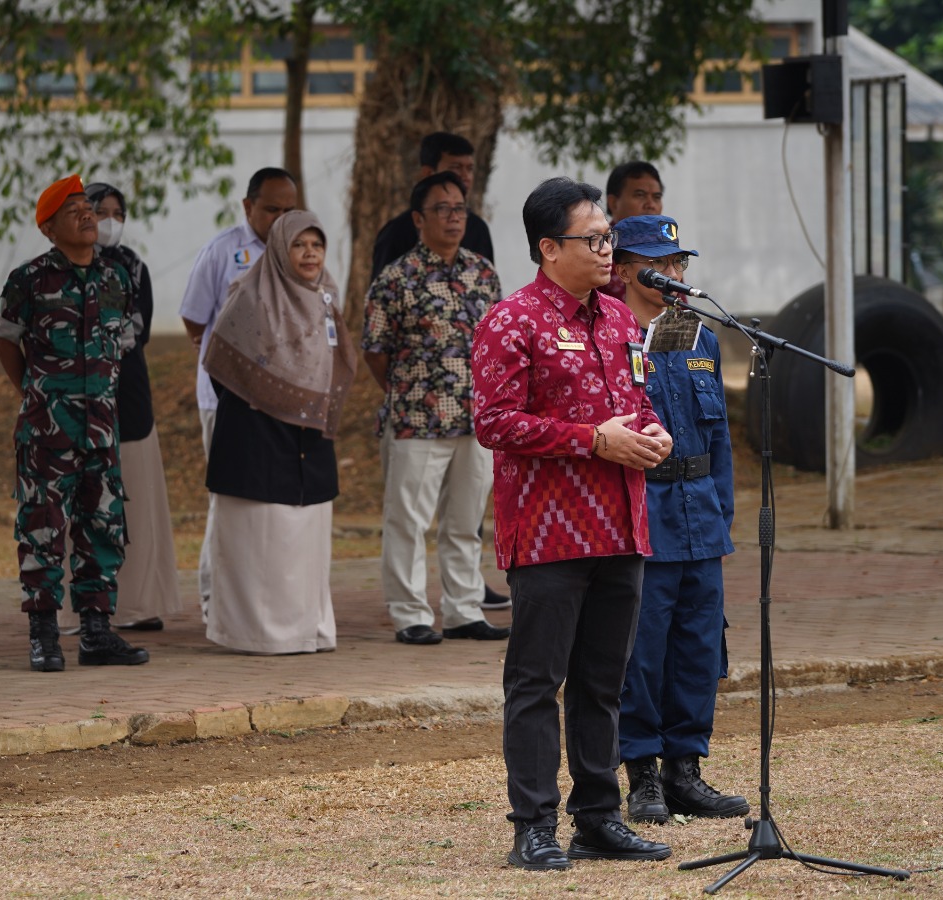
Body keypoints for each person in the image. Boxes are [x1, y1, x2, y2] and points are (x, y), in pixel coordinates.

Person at [472, 177, 674, 871]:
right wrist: (593, 440)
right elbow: (493, 422)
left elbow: (637, 401)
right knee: (536, 683)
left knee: (602, 681)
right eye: (593, 238)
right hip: (550, 531)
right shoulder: (512, 320)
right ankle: (533, 825)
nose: (606, 249)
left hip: (621, 526)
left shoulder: (622, 320)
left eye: (608, 237)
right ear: (549, 248)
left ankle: (598, 817)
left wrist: (653, 436)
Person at [611, 214, 748, 824]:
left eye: (677, 263)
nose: (671, 274)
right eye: (657, 264)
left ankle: (685, 770)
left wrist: (723, 510)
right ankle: (641, 775)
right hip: (643, 513)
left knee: (698, 646)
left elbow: (718, 438)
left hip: (699, 512)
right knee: (641, 652)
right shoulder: (610, 337)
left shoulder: (700, 338)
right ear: (622, 269)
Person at [0, 175, 149, 672]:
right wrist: (37, 391)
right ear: (48, 227)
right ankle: (43, 635)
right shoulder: (29, 279)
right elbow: (4, 340)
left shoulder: (116, 278)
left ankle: (97, 632)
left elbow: (121, 345)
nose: (88, 216)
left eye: (89, 207)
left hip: (101, 428)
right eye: (73, 210)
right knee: (43, 528)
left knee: (102, 526)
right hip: (47, 432)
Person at [362, 171, 509, 646]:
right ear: (418, 219)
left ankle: (464, 609)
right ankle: (410, 614)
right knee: (407, 520)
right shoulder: (395, 277)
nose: (452, 217)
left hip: (475, 419)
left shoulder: (482, 273)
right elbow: (375, 350)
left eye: (459, 208)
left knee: (466, 522)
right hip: (416, 420)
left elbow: (498, 344)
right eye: (442, 209)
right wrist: (412, 390)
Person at [200, 210, 356, 655]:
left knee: (303, 538)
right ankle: (257, 634)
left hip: (309, 432)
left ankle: (309, 629)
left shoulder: (326, 294)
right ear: (279, 249)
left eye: (317, 245)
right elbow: (223, 367)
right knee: (260, 536)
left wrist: (300, 400)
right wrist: (269, 395)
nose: (310, 254)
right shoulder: (249, 295)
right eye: (299, 245)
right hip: (255, 433)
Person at [179, 168, 300, 621]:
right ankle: (216, 602)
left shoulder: (300, 251)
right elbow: (194, 322)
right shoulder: (221, 252)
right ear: (248, 207)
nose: (281, 218)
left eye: (289, 209)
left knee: (274, 503)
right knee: (228, 500)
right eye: (272, 209)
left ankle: (263, 602)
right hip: (226, 402)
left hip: (284, 404)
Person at [82, 181, 182, 633]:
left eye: (117, 213)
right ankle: (81, 606)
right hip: (77, 399)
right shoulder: (58, 268)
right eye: (100, 210)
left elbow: (132, 330)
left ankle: (137, 603)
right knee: (84, 501)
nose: (109, 221)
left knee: (136, 498)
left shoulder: (131, 267)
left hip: (129, 394)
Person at [370, 132, 496, 281]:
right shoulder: (397, 233)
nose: (465, 176)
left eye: (469, 169)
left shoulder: (478, 230)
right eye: (456, 167)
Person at [603, 162, 665, 301]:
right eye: (640, 195)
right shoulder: (598, 246)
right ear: (613, 203)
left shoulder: (666, 248)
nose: (651, 205)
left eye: (656, 197)